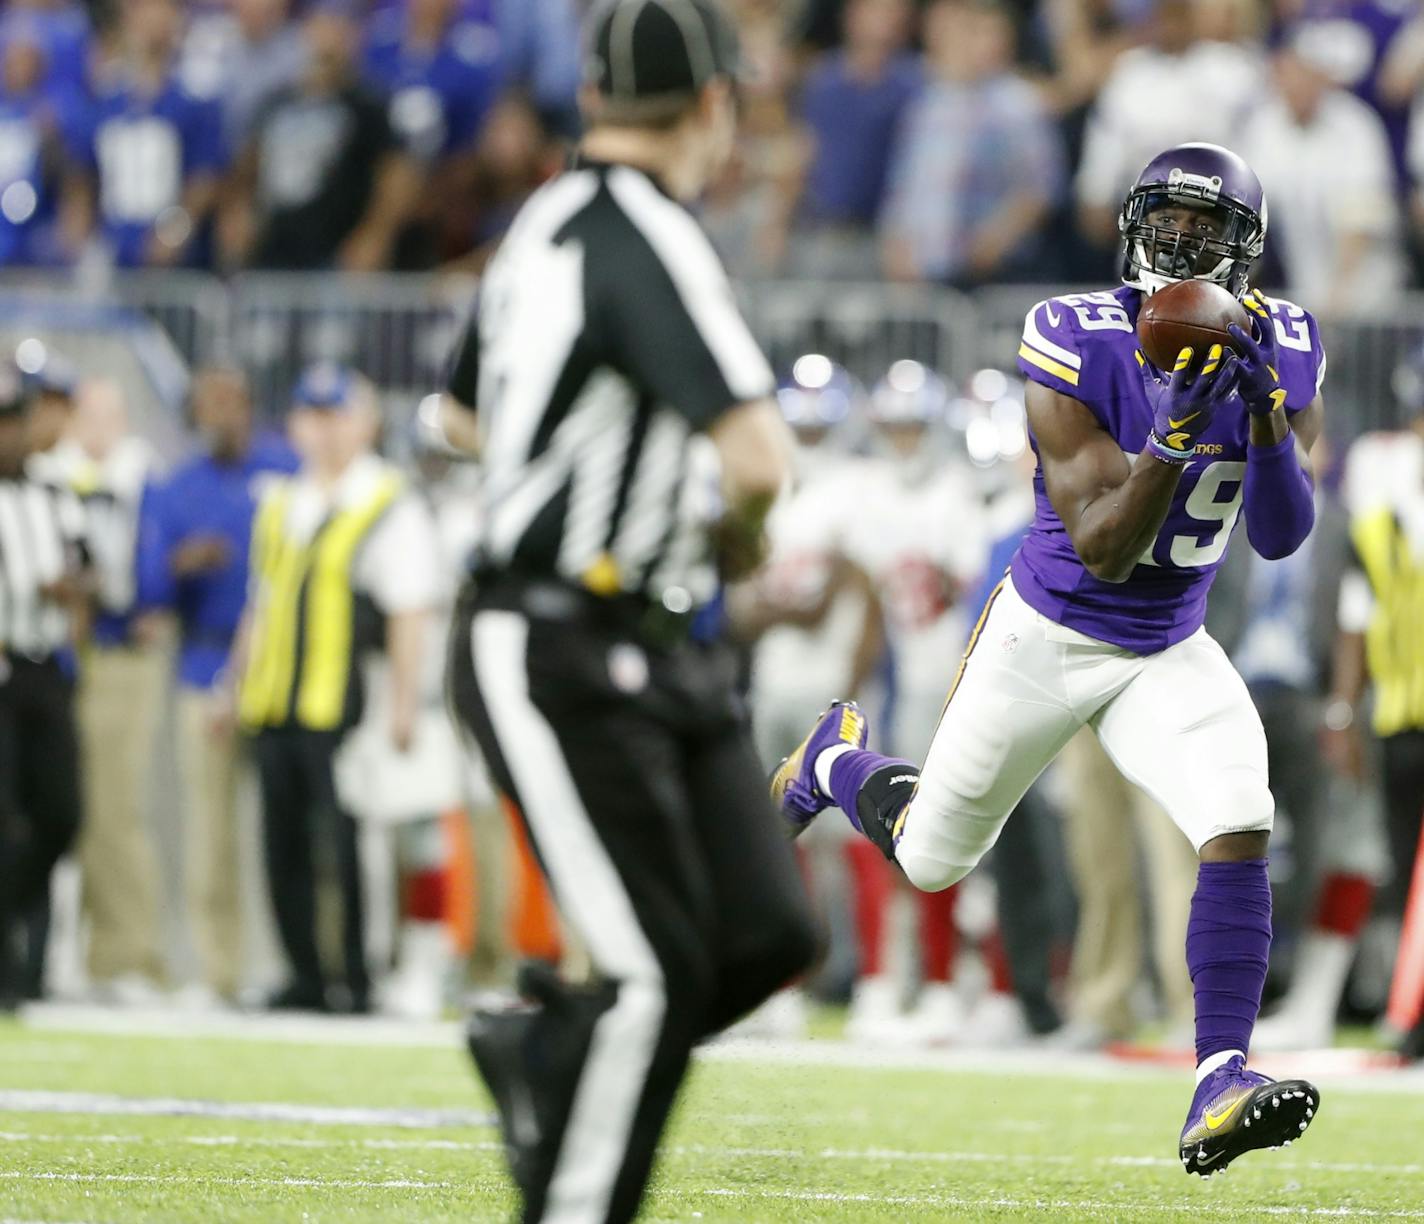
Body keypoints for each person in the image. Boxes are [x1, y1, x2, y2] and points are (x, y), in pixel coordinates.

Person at [774, 142, 1324, 1174]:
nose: (1181, 245)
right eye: (1166, 222)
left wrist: (1259, 415)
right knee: (935, 859)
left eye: (1206, 233)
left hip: (1166, 646)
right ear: (1129, 225)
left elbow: (1284, 533)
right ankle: (834, 764)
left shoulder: (1283, 341)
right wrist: (1174, 435)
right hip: (1049, 631)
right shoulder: (1073, 335)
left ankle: (1218, 1078)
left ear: (1243, 251)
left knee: (1238, 819)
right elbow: (1104, 548)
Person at [437, 1, 819, 1218]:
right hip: (560, 637)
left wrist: (570, 468)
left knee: (763, 935)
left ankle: (545, 1048)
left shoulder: (538, 223)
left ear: (595, 101)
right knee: (656, 977)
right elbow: (761, 461)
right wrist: (727, 539)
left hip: (644, 640)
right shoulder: (647, 230)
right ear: (712, 106)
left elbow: (454, 419)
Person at [227, 364, 440, 1014]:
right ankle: (305, 975)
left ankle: (355, 974)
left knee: (350, 849)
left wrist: (404, 704)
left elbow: (408, 612)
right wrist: (232, 684)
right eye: (311, 414)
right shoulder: (284, 502)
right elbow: (261, 604)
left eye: (336, 414)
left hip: (343, 703)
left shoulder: (386, 499)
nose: (322, 429)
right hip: (277, 700)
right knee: (281, 845)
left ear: (365, 422)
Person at [138, 365, 298, 1005]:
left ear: (251, 406)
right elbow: (148, 591)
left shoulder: (286, 466)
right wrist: (181, 563)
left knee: (295, 824)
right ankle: (217, 968)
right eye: (211, 405)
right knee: (208, 831)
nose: (223, 415)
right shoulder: (179, 489)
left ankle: (308, 965)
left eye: (233, 401)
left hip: (284, 671)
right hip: (204, 667)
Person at [53, 378, 168, 1004]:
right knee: (62, 810)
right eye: (87, 413)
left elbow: (163, 564)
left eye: (109, 413)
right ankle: (71, 951)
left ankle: (129, 955)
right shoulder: (51, 478)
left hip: (119, 653)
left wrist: (160, 600)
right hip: (55, 657)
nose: (98, 426)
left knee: (115, 809)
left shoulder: (144, 481)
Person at [0, 364, 89, 1009]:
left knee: (61, 816)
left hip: (43, 666)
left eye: (13, 418)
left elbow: (89, 574)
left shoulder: (54, 492)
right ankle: (12, 974)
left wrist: (73, 597)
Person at [219, 2, 420, 272]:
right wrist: (239, 212)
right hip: (274, 250)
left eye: (338, 30)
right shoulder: (276, 102)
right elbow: (249, 166)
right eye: (322, 27)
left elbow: (397, 175)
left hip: (337, 254)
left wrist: (375, 235)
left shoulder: (369, 105)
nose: (329, 39)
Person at [878, 0, 1064, 286]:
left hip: (991, 275)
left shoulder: (1019, 103)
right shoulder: (929, 103)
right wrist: (895, 246)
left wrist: (991, 246)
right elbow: (903, 185)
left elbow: (1040, 189)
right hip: (920, 274)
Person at [1239, 33, 1403, 316]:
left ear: (1321, 78)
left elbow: (1361, 218)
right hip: (1304, 291)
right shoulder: (1265, 126)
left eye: (1302, 75)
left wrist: (1338, 296)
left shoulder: (1355, 124)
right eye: (1286, 76)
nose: (1294, 86)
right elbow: (1248, 206)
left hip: (1368, 297)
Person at [63, 0, 226, 268]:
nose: (152, 18)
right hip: (113, 251)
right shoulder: (105, 100)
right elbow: (81, 174)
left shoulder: (195, 99)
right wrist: (79, 238)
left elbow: (204, 178)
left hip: (176, 265)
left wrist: (174, 232)